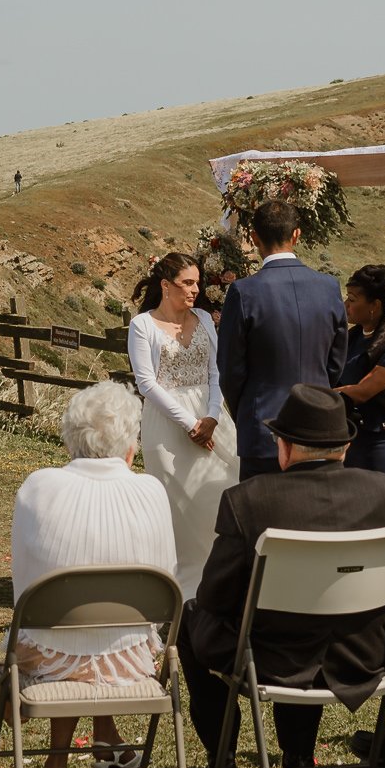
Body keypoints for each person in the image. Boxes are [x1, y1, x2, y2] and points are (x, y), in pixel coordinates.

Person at [176, 384, 385, 768]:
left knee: (193, 616)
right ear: (344, 448)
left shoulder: (247, 500)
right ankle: (299, 763)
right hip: (365, 654)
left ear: (284, 447)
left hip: (270, 657)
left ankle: (224, 765)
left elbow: (215, 596)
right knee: (306, 622)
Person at [0, 380, 176, 768]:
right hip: (127, 650)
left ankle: (63, 763)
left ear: (70, 435)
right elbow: (167, 577)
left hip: (47, 642)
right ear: (131, 442)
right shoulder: (151, 490)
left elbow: (24, 579)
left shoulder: (39, 486)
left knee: (75, 632)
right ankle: (106, 741)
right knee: (101, 633)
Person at [126, 253, 236, 600]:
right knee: (179, 510)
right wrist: (190, 424)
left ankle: (224, 586)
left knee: (224, 495)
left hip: (214, 416)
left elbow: (217, 371)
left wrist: (213, 416)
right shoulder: (142, 326)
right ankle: (185, 595)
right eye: (188, 282)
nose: (195, 289)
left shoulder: (203, 318)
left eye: (197, 282)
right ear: (165, 285)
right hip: (168, 425)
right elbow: (146, 383)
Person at [217, 200, 347, 481]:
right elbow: (336, 363)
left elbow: (230, 369)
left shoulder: (243, 292)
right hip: (319, 428)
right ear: (297, 235)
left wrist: (248, 411)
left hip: (262, 428)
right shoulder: (328, 288)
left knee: (262, 518)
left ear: (254, 237)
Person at [334, 265, 385, 484]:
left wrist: (319, 396)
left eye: (353, 299)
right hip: (352, 436)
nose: (346, 305)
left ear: (374, 306)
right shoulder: (352, 336)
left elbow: (365, 390)